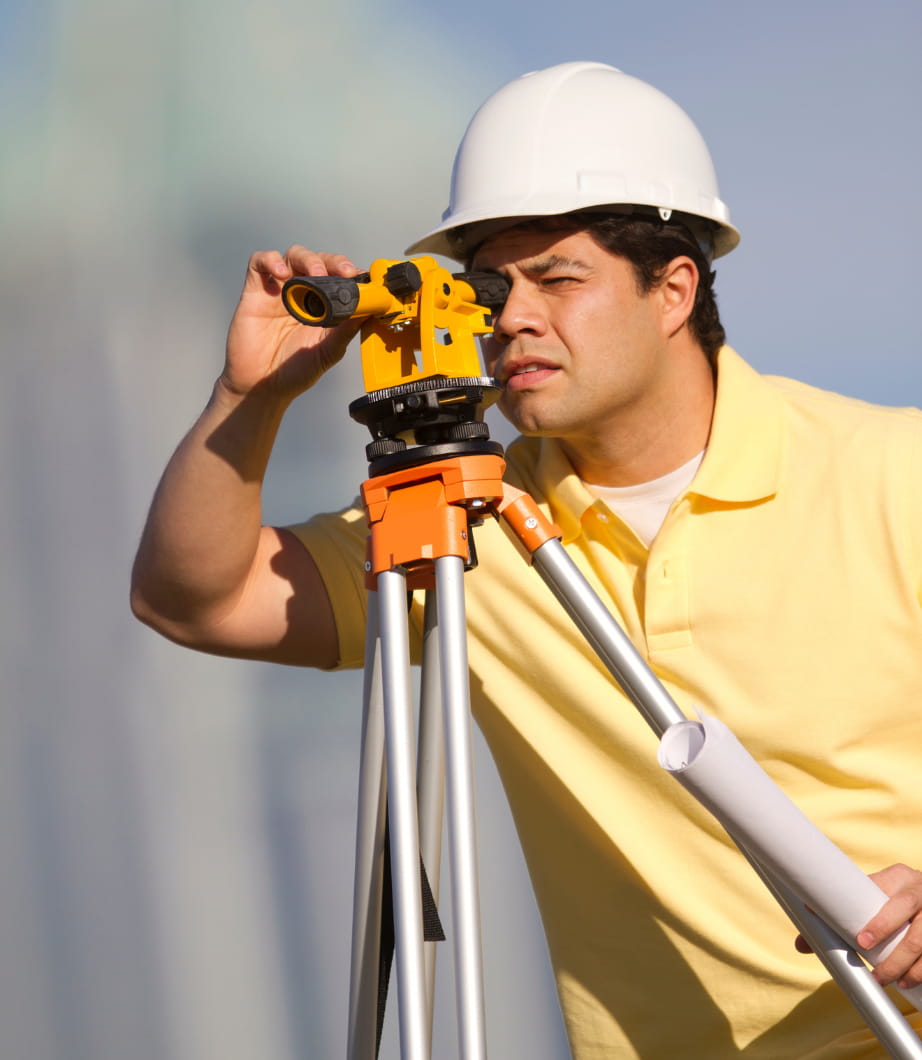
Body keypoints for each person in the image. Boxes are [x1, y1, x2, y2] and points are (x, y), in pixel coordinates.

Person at [130, 61, 922, 1058]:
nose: (512, 318)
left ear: (673, 289)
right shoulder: (469, 524)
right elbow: (194, 597)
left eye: (559, 279)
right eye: (497, 285)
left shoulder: (895, 473)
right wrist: (251, 398)